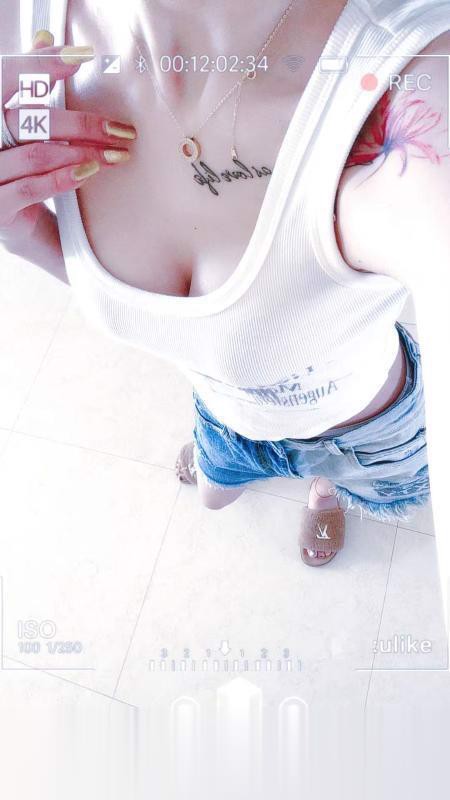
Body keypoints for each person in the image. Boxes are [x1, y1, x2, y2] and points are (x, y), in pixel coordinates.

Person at [0, 0, 449, 568]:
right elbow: (168, 318)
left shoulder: (407, 71)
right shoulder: (25, 37)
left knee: (334, 478)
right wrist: (23, 232)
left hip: (365, 429)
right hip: (223, 413)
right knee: (215, 497)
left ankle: (325, 487)